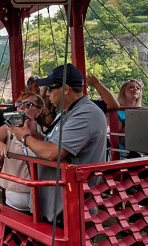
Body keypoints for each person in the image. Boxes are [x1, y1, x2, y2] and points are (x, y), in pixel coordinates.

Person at [8, 64, 108, 224]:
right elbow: (50, 144)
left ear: (66, 89)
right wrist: (35, 134)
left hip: (70, 207)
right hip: (55, 204)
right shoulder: (67, 112)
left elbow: (53, 153)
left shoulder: (86, 114)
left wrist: (25, 137)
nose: (47, 95)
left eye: (50, 89)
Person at [0, 92, 47, 212]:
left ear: (39, 111)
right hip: (15, 193)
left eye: (28, 105)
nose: (21, 107)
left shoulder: (46, 132)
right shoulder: (9, 128)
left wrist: (33, 134)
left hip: (42, 194)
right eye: (19, 104)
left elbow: (52, 151)